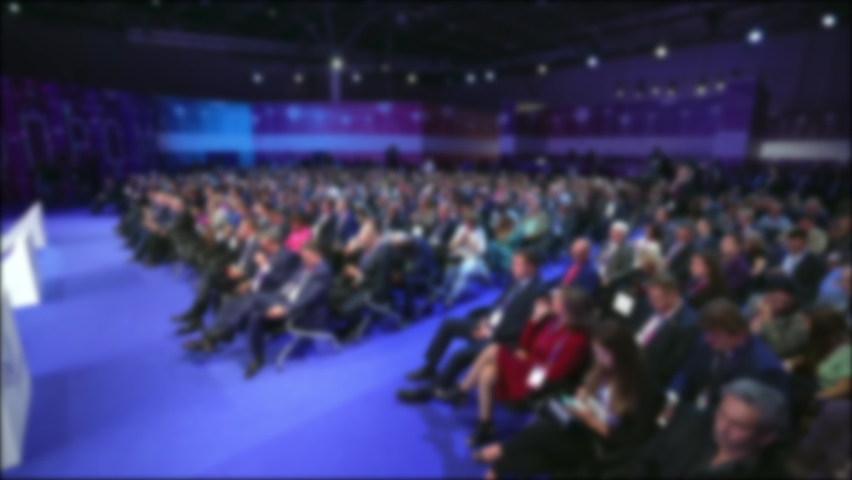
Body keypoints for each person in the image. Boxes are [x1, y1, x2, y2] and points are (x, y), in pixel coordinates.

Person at [475, 321, 661, 479]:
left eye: (603, 353)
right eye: (596, 352)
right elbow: (593, 397)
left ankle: (501, 453)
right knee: (539, 455)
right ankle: (497, 471)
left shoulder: (642, 389)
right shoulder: (603, 368)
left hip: (599, 447)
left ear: (621, 352)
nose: (598, 358)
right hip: (583, 428)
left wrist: (591, 420)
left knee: (543, 431)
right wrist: (583, 397)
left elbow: (628, 442)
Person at [448, 287, 592, 446]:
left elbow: (555, 373)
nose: (553, 299)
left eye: (558, 298)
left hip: (539, 380)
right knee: (488, 373)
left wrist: (525, 362)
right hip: (529, 367)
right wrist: (534, 320)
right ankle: (485, 425)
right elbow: (525, 345)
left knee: (495, 349)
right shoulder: (553, 321)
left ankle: (462, 390)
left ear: (568, 307)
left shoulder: (579, 339)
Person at [397, 250, 542, 403]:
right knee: (449, 324)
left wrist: (492, 332)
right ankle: (430, 367)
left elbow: (523, 328)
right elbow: (500, 304)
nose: (512, 267)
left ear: (531, 267)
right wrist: (485, 320)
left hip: (502, 339)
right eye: (513, 263)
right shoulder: (517, 280)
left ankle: (428, 392)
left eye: (517, 264)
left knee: (460, 354)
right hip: (491, 326)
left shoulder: (537, 292)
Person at [624, 378, 791, 479]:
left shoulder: (766, 473)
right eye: (721, 414)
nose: (722, 427)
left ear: (767, 437)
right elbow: (643, 462)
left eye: (738, 425)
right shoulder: (690, 421)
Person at [660, 299, 790, 424]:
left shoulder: (765, 368)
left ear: (739, 334)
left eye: (714, 335)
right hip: (689, 409)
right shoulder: (708, 340)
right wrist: (673, 399)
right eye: (706, 333)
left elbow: (763, 420)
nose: (707, 339)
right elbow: (687, 369)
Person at [172, 217, 260, 326]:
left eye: (241, 227)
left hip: (244, 280)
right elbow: (231, 255)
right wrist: (234, 242)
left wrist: (241, 272)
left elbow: (256, 269)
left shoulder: (257, 244)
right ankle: (196, 314)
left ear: (249, 229)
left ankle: (196, 315)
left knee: (210, 274)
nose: (239, 229)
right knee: (210, 273)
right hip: (235, 271)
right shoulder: (245, 241)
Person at [631, 274, 699, 387]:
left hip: (646, 378)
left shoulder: (688, 325)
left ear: (673, 295)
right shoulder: (651, 306)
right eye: (649, 297)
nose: (650, 302)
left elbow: (667, 367)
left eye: (656, 298)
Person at [784, 307, 850, 401]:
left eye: (807, 324)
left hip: (832, 398)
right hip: (818, 385)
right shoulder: (827, 344)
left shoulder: (846, 353)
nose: (803, 328)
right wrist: (791, 364)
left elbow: (844, 390)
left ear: (821, 328)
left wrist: (814, 398)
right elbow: (809, 357)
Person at [748, 274, 808, 361]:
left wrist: (767, 321)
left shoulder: (799, 319)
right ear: (766, 296)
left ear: (793, 299)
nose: (780, 306)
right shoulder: (757, 308)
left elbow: (781, 349)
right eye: (775, 300)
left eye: (784, 302)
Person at [437, 211, 489, 305]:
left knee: (464, 272)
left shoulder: (480, 231)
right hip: (460, 257)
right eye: (466, 223)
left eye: (470, 224)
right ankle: (443, 290)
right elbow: (451, 245)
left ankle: (451, 297)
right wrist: (459, 240)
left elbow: (481, 253)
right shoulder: (462, 228)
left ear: (475, 223)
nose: (467, 226)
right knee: (449, 270)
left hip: (475, 259)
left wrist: (468, 241)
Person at [776, 227, 827, 306]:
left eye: (795, 243)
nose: (791, 245)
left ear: (804, 243)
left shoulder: (816, 262)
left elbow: (814, 288)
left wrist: (787, 277)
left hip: (800, 300)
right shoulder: (781, 257)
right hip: (777, 294)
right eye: (789, 243)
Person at [720, 234, 752, 305]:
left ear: (737, 247)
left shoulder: (741, 266)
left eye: (728, 243)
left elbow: (731, 289)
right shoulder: (720, 261)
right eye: (723, 242)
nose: (723, 245)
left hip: (732, 303)